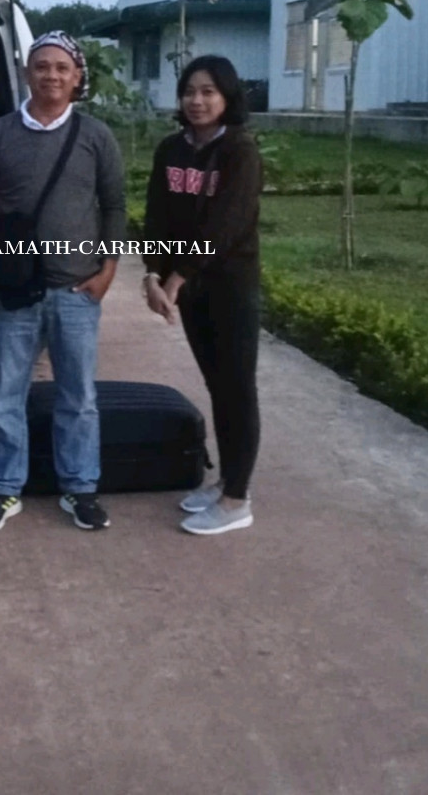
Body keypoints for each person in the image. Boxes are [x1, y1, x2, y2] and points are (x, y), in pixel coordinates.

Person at [0, 30, 126, 534]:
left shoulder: (96, 136)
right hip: (15, 286)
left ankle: (80, 488)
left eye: (62, 67)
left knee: (79, 398)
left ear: (77, 78)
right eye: (42, 65)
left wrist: (108, 270)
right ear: (27, 73)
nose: (51, 74)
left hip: (78, 289)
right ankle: (3, 489)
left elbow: (114, 205)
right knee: (4, 396)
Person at [142, 55, 263, 535]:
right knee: (218, 386)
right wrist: (153, 273)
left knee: (237, 388)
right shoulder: (171, 149)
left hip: (229, 287)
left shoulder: (240, 152)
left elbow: (224, 226)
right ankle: (227, 481)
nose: (197, 100)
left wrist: (177, 278)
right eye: (190, 91)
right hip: (188, 288)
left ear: (227, 97)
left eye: (208, 91)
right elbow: (157, 214)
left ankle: (237, 500)